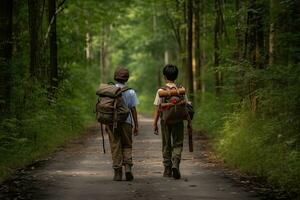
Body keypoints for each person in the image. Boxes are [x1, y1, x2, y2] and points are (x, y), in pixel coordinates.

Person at [153, 64, 191, 179]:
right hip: (178, 120)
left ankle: (167, 170)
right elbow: (186, 106)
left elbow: (158, 109)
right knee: (178, 143)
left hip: (165, 120)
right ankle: (176, 163)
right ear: (176, 76)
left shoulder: (161, 91)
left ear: (164, 76)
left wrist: (155, 123)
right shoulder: (181, 90)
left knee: (166, 144)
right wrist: (189, 121)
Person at [107, 67, 139, 181]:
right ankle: (128, 168)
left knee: (115, 145)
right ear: (126, 79)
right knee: (127, 145)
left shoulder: (109, 90)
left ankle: (117, 172)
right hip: (127, 122)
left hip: (112, 122)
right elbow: (133, 109)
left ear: (115, 77)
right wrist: (136, 125)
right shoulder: (130, 91)